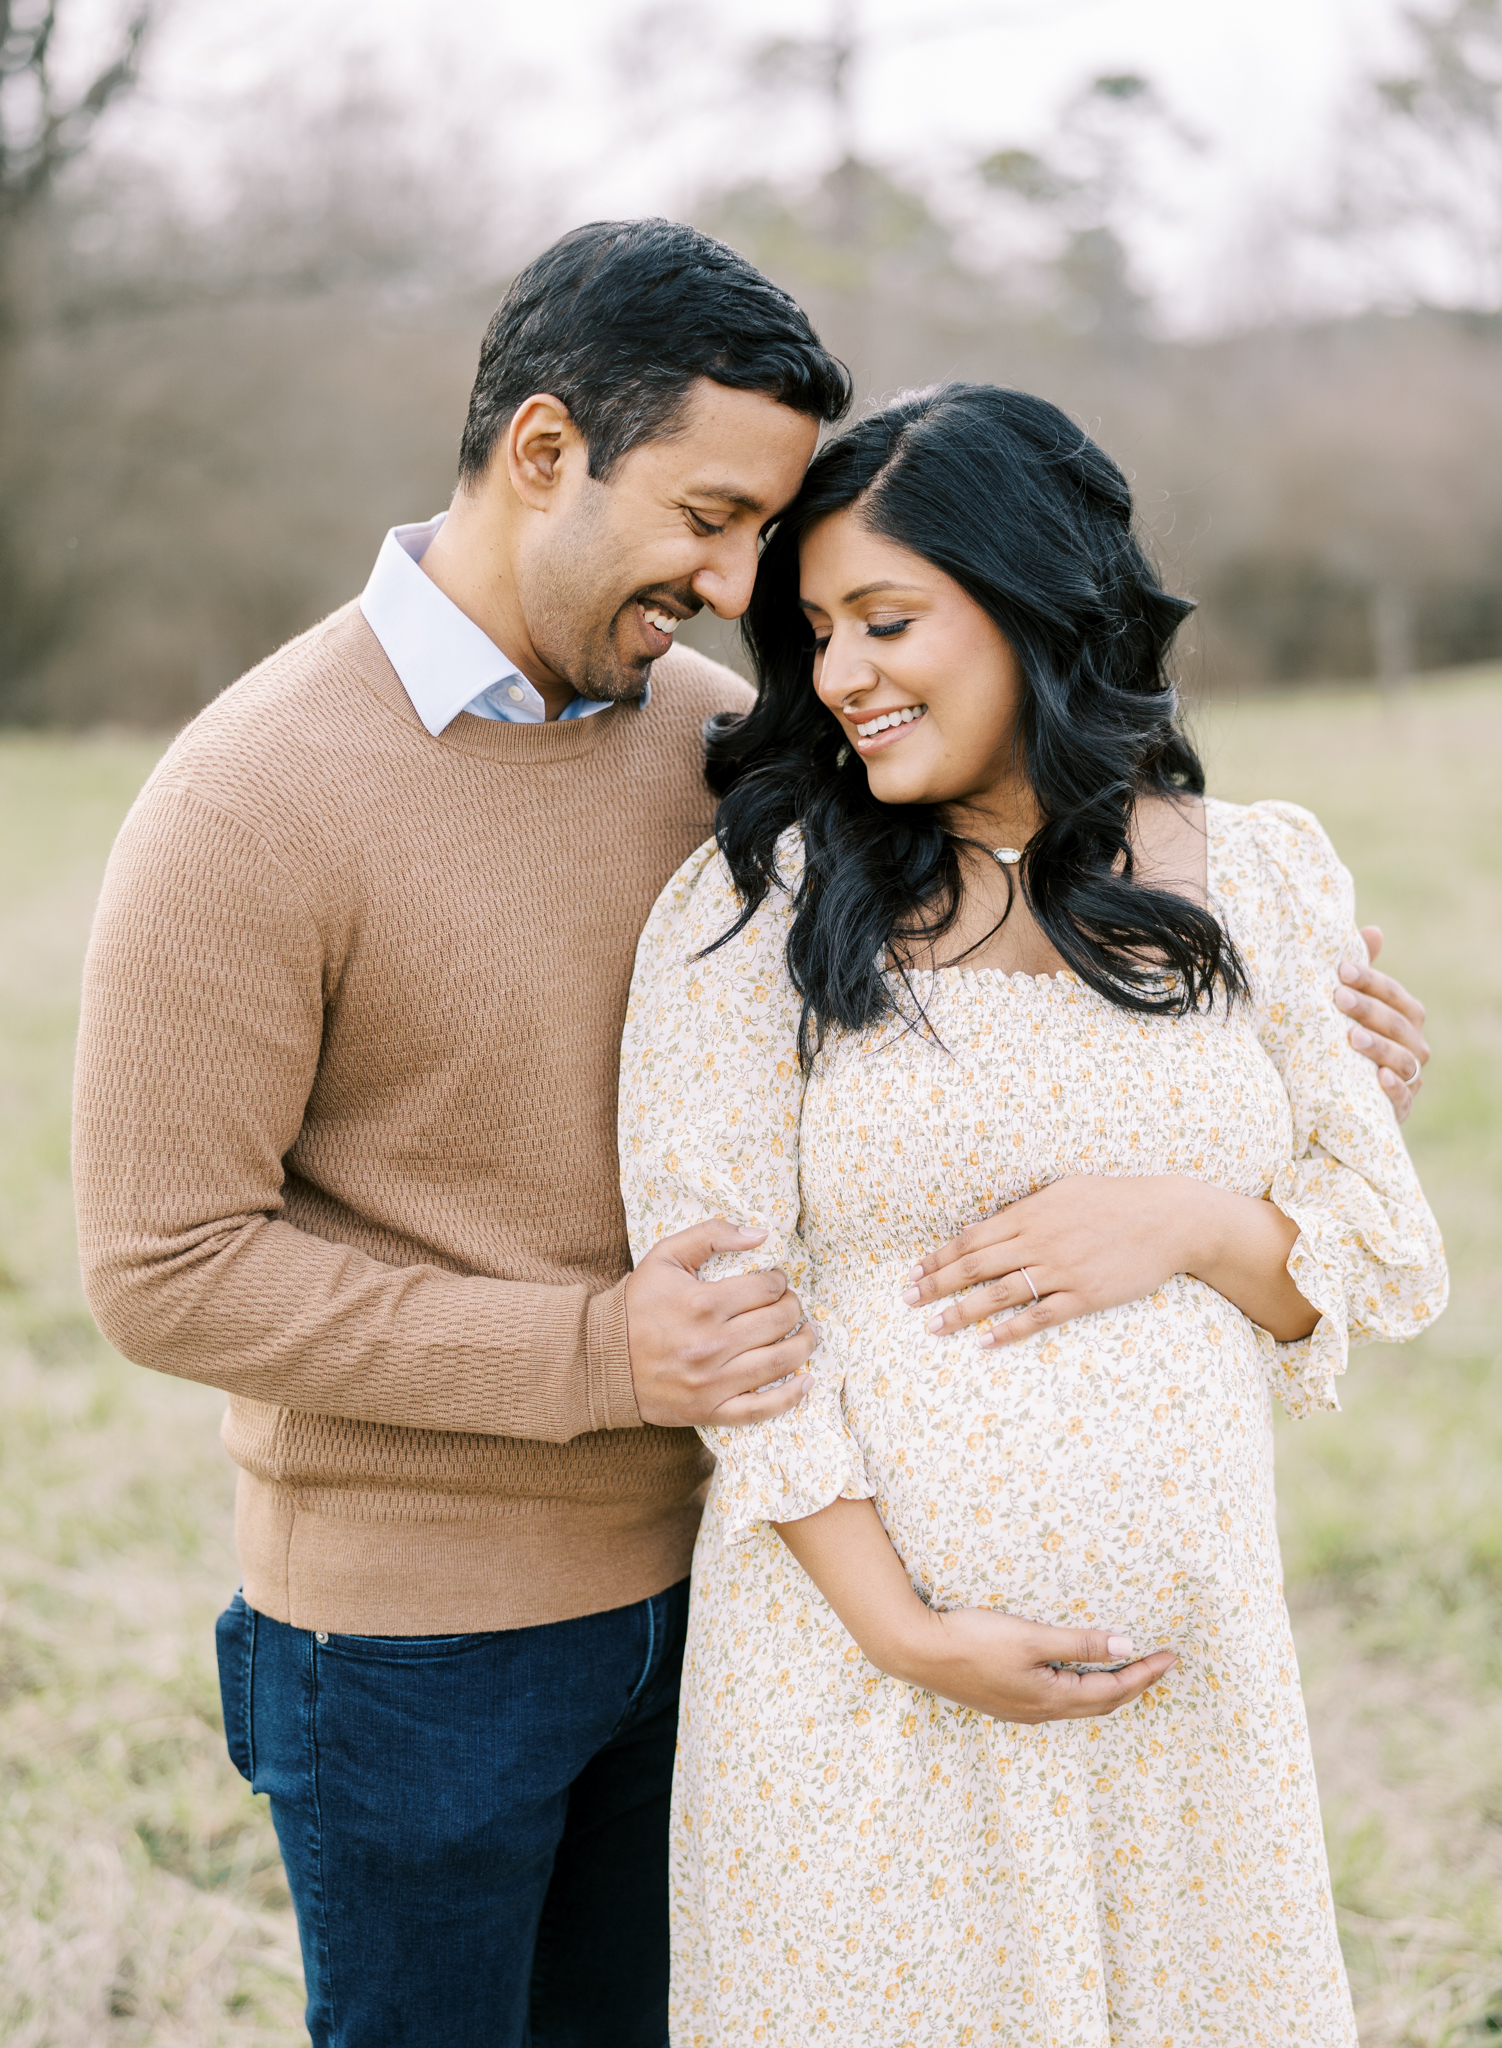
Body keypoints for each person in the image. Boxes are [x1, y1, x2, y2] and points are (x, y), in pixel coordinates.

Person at [70, 221, 1427, 2047]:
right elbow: (162, 1271)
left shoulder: (728, 745)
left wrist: (1276, 1062)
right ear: (544, 451)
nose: (732, 590)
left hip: (711, 1592)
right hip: (422, 1639)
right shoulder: (248, 796)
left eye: (771, 556)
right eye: (711, 522)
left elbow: (1018, 966)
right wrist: (597, 1348)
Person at [617, 382, 1447, 2046]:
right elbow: (718, 1300)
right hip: (854, 1685)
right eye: (816, 633)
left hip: (1180, 1693)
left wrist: (1193, 1224)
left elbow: (1378, 1252)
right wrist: (906, 1630)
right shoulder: (756, 903)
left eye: (886, 618)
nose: (840, 673)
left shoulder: (1259, 874)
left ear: (1036, 603)